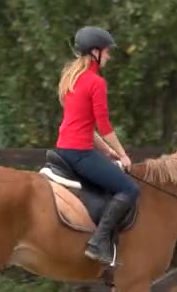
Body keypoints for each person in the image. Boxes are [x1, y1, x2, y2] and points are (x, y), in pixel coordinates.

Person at [55, 26, 140, 265]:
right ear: (95, 53)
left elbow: (85, 127)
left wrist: (107, 151)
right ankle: (98, 242)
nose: (109, 56)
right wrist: (123, 155)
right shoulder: (95, 82)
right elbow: (104, 126)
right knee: (130, 190)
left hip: (66, 149)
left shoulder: (72, 80)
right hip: (80, 154)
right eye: (106, 51)